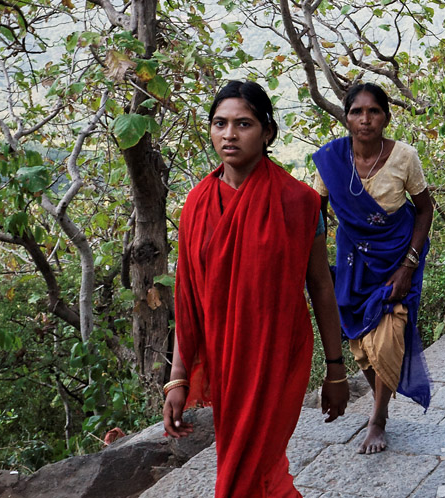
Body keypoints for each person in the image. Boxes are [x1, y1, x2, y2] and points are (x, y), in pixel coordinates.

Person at [163, 80, 350, 497]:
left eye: (243, 124)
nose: (229, 134)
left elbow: (320, 287)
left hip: (278, 357)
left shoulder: (299, 202)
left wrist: (335, 368)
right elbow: (188, 298)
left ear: (267, 132)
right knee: (256, 475)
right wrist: (177, 381)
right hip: (225, 361)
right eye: (220, 123)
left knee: (244, 476)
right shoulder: (196, 204)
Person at [312, 82, 433, 455]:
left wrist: (409, 266)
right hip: (352, 266)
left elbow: (425, 208)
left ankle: (377, 418)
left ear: (386, 116)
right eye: (357, 112)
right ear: (346, 117)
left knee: (389, 336)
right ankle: (381, 402)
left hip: (397, 259)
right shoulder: (331, 160)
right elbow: (316, 213)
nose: (365, 120)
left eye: (374, 111)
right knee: (363, 346)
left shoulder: (404, 157)